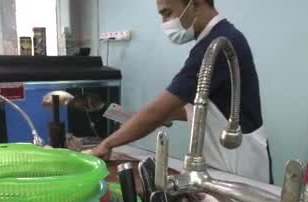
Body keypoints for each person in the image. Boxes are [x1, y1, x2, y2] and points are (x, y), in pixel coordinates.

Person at [89, 0, 273, 183]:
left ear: (194, 4)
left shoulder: (217, 46)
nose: (165, 23)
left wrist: (107, 144)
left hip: (240, 164)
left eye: (167, 13)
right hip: (227, 158)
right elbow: (212, 105)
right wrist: (170, 115)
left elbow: (158, 110)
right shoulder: (219, 38)